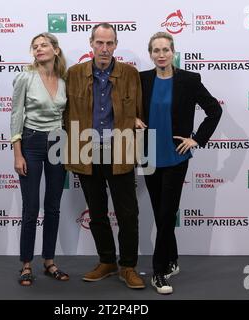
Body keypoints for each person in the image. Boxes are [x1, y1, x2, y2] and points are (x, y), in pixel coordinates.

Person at [64, 23, 145, 289]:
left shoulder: (130, 74)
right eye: (100, 43)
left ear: (115, 45)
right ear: (91, 43)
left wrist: (133, 120)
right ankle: (107, 261)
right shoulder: (74, 74)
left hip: (120, 150)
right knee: (97, 213)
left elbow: (139, 111)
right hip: (86, 153)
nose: (104, 49)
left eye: (109, 43)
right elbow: (66, 115)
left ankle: (129, 266)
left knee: (128, 213)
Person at [140, 32, 222, 294]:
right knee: (160, 214)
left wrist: (196, 139)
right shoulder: (143, 79)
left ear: (173, 51)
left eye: (165, 49)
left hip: (176, 157)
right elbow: (127, 106)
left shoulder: (188, 79)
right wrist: (131, 119)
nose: (161, 54)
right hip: (150, 157)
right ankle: (172, 259)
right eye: (156, 50)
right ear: (150, 53)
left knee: (166, 215)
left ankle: (159, 272)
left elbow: (214, 110)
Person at [11, 32, 69, 286]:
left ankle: (49, 261)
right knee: (31, 208)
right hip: (31, 143)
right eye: (35, 46)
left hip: (58, 142)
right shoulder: (25, 77)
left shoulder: (64, 80)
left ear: (56, 50)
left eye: (44, 45)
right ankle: (26, 264)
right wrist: (17, 153)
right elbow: (16, 115)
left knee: (53, 207)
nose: (39, 49)